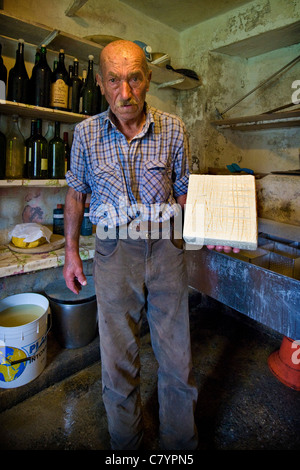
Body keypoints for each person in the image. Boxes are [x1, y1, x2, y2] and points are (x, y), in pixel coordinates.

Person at [63, 40, 234, 450]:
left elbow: (184, 194)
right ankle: (128, 445)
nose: (126, 93)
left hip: (166, 249)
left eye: (135, 78)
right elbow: (75, 193)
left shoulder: (173, 128)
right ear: (102, 84)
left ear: (148, 78)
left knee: (176, 357)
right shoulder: (86, 134)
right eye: (115, 81)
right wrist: (71, 251)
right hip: (112, 251)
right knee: (118, 360)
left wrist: (213, 229)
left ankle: (180, 445)